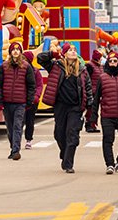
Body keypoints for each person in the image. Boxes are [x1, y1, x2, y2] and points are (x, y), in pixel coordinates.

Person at [37, 42, 93, 173]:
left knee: (72, 135)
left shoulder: (82, 69)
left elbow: (88, 87)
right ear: (64, 53)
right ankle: (65, 152)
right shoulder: (56, 66)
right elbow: (40, 58)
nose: (73, 52)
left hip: (76, 107)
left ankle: (68, 163)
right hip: (60, 106)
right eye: (70, 50)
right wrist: (53, 54)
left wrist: (89, 104)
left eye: (74, 50)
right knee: (59, 134)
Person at [0, 42, 35, 160]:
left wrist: (29, 101)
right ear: (10, 52)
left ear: (21, 52)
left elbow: (31, 85)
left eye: (18, 49)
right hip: (7, 102)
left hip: (20, 103)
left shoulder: (26, 67)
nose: (16, 51)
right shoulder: (4, 67)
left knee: (17, 126)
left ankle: (16, 151)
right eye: (13, 49)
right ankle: (13, 147)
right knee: (10, 127)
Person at [22, 50, 44, 149]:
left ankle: (28, 140)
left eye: (24, 58)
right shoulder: (18, 70)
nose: (22, 60)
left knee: (29, 121)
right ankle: (15, 140)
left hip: (32, 101)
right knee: (18, 121)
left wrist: (36, 97)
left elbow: (39, 85)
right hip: (20, 99)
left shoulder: (36, 72)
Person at [84, 49, 104, 133]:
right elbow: (86, 79)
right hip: (91, 92)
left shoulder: (100, 66)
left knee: (95, 109)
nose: (101, 59)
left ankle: (94, 125)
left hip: (97, 92)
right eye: (100, 57)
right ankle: (89, 125)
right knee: (90, 109)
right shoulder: (90, 66)